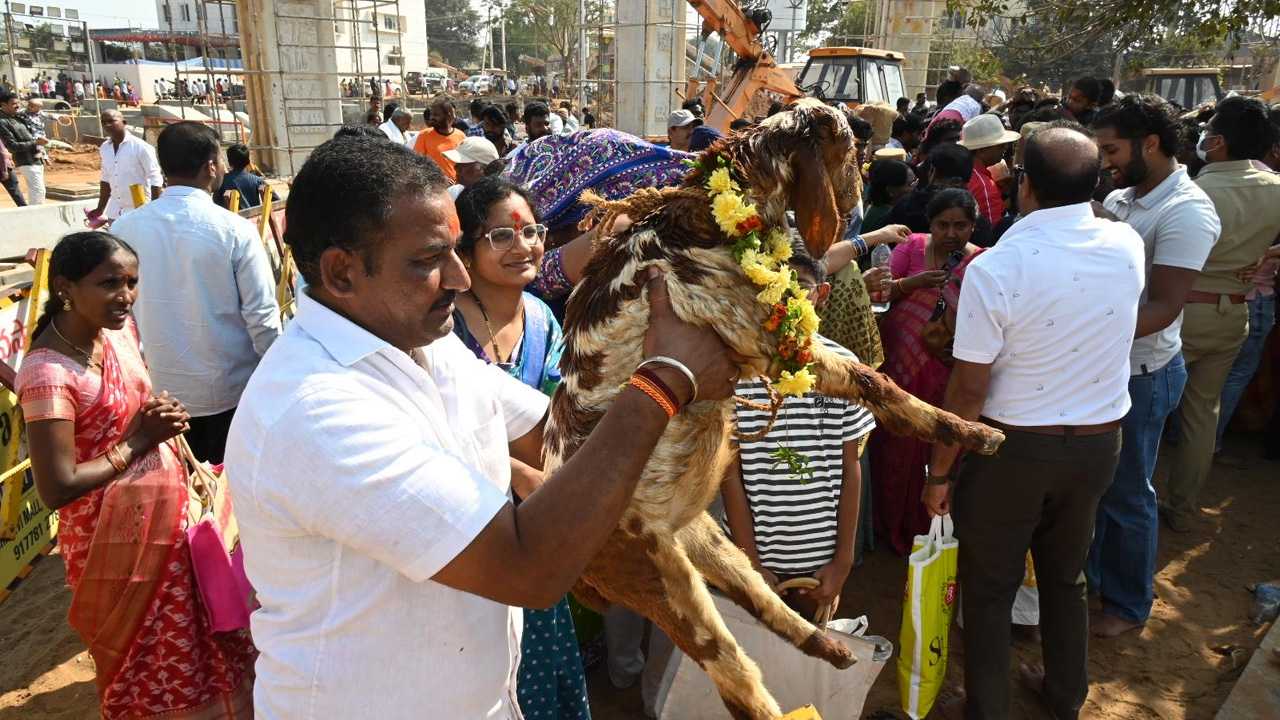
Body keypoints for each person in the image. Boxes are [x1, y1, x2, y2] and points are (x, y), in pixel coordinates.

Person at [223, 134, 735, 720]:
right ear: (341, 273)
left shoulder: (424, 345)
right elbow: (529, 568)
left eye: (455, 251)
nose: (459, 278)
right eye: (427, 261)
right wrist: (663, 382)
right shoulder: (313, 410)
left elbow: (557, 432)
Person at [926, 122, 1145, 720]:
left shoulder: (998, 267)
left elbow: (969, 386)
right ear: (1096, 183)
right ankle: (1064, 695)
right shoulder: (1126, 245)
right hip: (1098, 447)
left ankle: (986, 707)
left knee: (991, 588)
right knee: (1066, 578)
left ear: (1024, 185)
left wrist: (940, 471)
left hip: (1013, 452)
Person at [17, 231, 256, 719]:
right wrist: (140, 440)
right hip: (114, 550)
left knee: (202, 639)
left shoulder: (118, 333)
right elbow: (57, 486)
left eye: (131, 282)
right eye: (109, 283)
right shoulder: (47, 374)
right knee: (146, 663)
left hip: (172, 529)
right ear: (65, 287)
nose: (125, 296)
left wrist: (158, 416)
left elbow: (127, 408)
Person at [452, 176, 592, 719]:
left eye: (531, 232)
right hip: (473, 515)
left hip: (541, 510)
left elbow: (562, 408)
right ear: (466, 247)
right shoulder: (442, 327)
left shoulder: (542, 317)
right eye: (500, 237)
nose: (523, 246)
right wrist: (510, 469)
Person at [1082, 94, 1220, 638]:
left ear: (1152, 144)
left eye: (1111, 150)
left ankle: (1127, 605)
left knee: (1127, 493)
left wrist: (1083, 333)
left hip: (1143, 374)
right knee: (1096, 487)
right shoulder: (1122, 198)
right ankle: (1094, 583)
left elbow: (1163, 307)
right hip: (1104, 365)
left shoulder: (1186, 210)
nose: (1105, 161)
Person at [109, 122, 282, 463]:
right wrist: (278, 374)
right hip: (229, 393)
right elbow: (261, 317)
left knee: (181, 500)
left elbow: (119, 315)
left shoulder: (123, 229)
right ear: (212, 166)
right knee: (228, 493)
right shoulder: (234, 230)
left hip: (159, 398)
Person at [722, 240, 876, 618]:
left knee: (806, 651)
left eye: (801, 283)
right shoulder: (735, 366)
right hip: (751, 555)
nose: (788, 293)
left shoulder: (843, 365)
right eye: (777, 281)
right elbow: (729, 471)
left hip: (819, 558)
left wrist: (843, 559)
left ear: (822, 294)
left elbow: (850, 466)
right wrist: (749, 561)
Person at [1162, 96, 1280, 532]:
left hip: (1177, 313)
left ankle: (1131, 503)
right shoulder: (1274, 189)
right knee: (1202, 415)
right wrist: (1262, 254)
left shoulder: (1194, 190)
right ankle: (1182, 508)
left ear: (1219, 141)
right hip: (1234, 311)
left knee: (1145, 413)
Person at [864, 188, 985, 554]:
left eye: (960, 225)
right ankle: (886, 523)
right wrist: (910, 284)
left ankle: (925, 526)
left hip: (945, 371)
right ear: (929, 224)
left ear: (973, 226)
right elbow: (879, 294)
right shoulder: (913, 247)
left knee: (933, 443)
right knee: (892, 442)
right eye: (943, 224)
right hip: (898, 366)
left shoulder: (981, 262)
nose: (951, 233)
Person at [88, 110, 163, 222]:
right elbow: (106, 179)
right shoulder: (105, 148)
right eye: (103, 122)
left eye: (111, 121)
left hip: (139, 211)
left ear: (124, 122)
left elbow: (155, 178)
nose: (107, 125)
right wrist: (100, 209)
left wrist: (154, 209)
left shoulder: (140, 147)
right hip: (114, 212)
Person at [958, 113, 1020, 225]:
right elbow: (993, 231)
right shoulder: (983, 185)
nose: (1006, 147)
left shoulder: (966, 172)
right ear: (982, 150)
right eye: (1000, 145)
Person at [0, 90, 49, 204]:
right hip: (25, 160)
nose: (17, 106)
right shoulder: (3, 122)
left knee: (38, 191)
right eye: (13, 103)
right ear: (3, 105)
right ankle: (33, 216)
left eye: (18, 103)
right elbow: (12, 146)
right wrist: (35, 143)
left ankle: (33, 215)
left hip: (36, 158)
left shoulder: (18, 117)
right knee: (38, 191)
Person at [414, 97, 467, 182]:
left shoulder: (461, 135)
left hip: (457, 188)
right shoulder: (424, 135)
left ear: (448, 116)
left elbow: (465, 164)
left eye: (436, 115)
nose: (431, 117)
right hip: (434, 188)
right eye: (431, 114)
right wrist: (439, 179)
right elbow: (416, 164)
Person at [861, 158, 916, 234]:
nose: (915, 187)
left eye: (915, 181)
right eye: (910, 183)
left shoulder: (880, 209)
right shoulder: (887, 220)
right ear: (891, 191)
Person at [443, 136, 500, 200]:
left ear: (484, 169)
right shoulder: (453, 193)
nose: (456, 168)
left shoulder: (499, 201)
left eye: (463, 164)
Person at [217, 142, 268, 209]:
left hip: (232, 218)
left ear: (229, 162)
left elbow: (216, 204)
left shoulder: (222, 182)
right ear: (248, 161)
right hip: (254, 218)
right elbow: (275, 201)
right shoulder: (258, 180)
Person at [1, 140, 24, 205]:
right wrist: (4, 170)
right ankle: (25, 211)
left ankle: (25, 210)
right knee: (16, 193)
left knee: (16, 193)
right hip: (4, 169)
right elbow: (2, 153)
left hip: (4, 168)